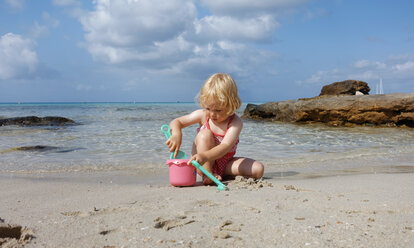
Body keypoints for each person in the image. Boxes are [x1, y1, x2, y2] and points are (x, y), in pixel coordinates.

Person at [166, 73, 264, 185]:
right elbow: (176, 122)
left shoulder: (235, 123)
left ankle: (220, 175)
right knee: (205, 134)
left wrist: (205, 156)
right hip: (202, 163)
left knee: (258, 169)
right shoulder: (203, 115)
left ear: (231, 105)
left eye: (218, 110)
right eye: (208, 108)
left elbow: (225, 146)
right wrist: (177, 133)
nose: (212, 114)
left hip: (224, 163)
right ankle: (207, 173)